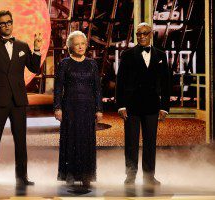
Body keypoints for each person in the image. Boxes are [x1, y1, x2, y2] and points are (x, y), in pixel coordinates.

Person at [0, 10, 43, 187]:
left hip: (18, 100)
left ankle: (22, 177)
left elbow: (34, 68)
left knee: (20, 141)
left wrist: (37, 48)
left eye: (9, 22)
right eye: (2, 23)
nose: (6, 25)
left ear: (12, 23)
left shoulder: (22, 45)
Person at [116, 22, 171, 185]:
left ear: (151, 34)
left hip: (152, 105)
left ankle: (149, 176)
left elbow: (166, 83)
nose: (141, 37)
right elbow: (121, 82)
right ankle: (130, 175)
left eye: (145, 33)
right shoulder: (127, 54)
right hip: (132, 106)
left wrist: (164, 107)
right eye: (138, 34)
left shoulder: (161, 55)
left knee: (150, 143)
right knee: (131, 142)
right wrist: (121, 105)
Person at [53, 31, 103, 188]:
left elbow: (97, 89)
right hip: (69, 108)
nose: (81, 46)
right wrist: (57, 107)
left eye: (83, 43)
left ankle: (86, 175)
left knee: (86, 141)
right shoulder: (64, 63)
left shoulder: (92, 64)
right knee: (70, 140)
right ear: (70, 47)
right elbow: (58, 88)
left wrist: (99, 109)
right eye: (77, 44)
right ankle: (70, 174)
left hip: (88, 108)